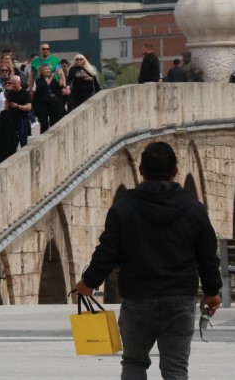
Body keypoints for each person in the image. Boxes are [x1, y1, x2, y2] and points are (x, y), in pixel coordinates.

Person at [75, 142, 222, 379]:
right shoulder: (194, 210)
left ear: (141, 170)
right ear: (175, 171)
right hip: (179, 300)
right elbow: (207, 254)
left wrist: (88, 282)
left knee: (134, 363)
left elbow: (107, 252)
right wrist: (212, 290)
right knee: (175, 369)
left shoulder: (123, 209)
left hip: (137, 300)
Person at [31, 63, 64, 134]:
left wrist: (60, 76)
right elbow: (44, 86)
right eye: (46, 69)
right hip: (43, 104)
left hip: (53, 103)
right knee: (44, 124)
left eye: (49, 69)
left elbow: (60, 86)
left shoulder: (54, 80)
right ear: (42, 71)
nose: (48, 71)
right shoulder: (38, 81)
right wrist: (51, 77)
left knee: (54, 122)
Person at [3, 75, 31, 147]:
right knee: (12, 140)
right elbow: (7, 107)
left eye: (15, 83)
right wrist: (7, 104)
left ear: (19, 82)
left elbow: (29, 107)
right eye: (11, 83)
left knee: (23, 139)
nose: (13, 85)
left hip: (22, 118)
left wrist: (18, 106)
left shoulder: (25, 93)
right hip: (12, 119)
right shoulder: (10, 93)